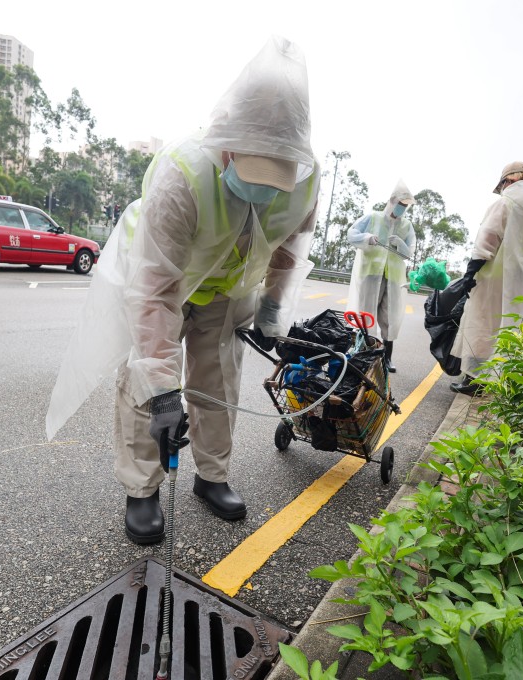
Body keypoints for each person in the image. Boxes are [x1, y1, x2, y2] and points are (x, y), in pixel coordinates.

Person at [43, 37, 321, 545]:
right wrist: (163, 384)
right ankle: (142, 489)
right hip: (162, 279)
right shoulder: (183, 172)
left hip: (225, 290)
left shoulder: (306, 180)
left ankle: (212, 477)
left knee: (219, 383)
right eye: (254, 166)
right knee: (146, 385)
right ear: (226, 141)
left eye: (276, 173)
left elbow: (288, 252)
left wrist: (272, 312)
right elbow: (154, 290)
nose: (266, 184)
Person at [449, 161, 523, 395]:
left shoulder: (505, 203)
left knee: (483, 326)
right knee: (512, 328)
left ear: (508, 181)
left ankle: (474, 381)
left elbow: (487, 239)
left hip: (494, 277)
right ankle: (505, 380)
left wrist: (470, 273)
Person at [345, 180, 417, 372]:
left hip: (393, 278)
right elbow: (351, 234)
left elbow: (409, 252)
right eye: (400, 204)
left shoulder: (407, 226)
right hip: (371, 274)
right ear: (391, 201)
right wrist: (367, 238)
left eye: (405, 206)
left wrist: (400, 244)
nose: (402, 209)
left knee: (390, 317)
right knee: (366, 315)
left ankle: (387, 358)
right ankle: (364, 355)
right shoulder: (373, 217)